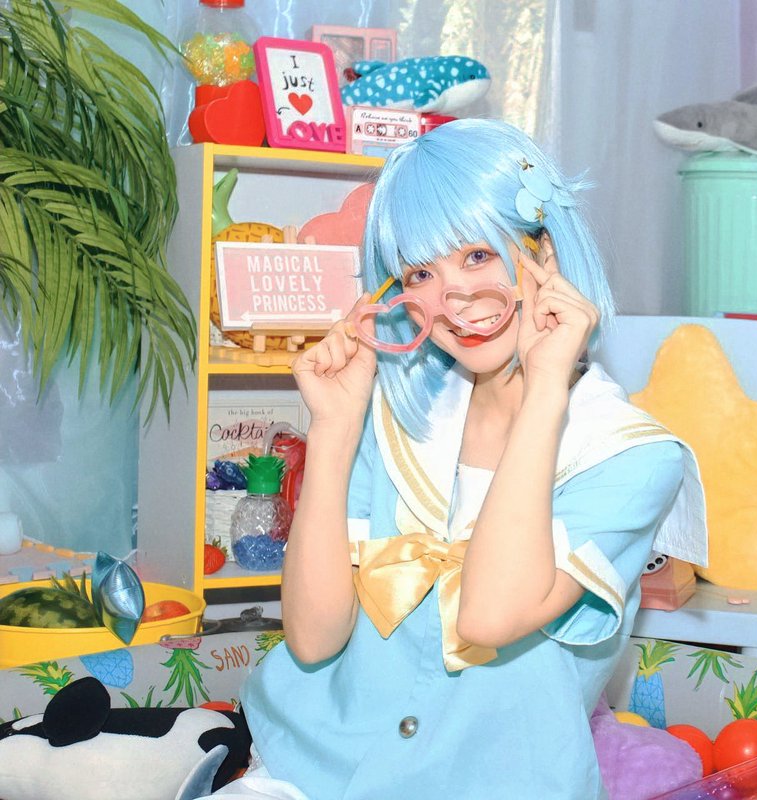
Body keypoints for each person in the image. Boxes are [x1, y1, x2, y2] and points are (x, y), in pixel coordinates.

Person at [204, 118, 706, 799]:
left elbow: (488, 619)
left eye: (476, 255)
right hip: (314, 768)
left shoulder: (632, 456)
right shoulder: (393, 414)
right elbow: (313, 640)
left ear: (545, 252)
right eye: (421, 273)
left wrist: (546, 391)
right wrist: (335, 430)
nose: (454, 302)